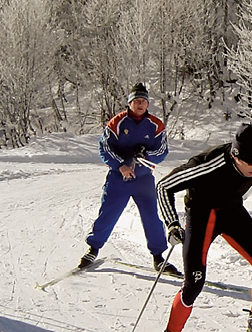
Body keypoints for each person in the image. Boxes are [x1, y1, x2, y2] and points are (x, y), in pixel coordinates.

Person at [148, 123, 252, 332]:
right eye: (251, 164)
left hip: (233, 211)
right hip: (202, 215)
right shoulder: (206, 165)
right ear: (236, 156)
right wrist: (172, 223)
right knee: (194, 282)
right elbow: (163, 187)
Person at [77, 82, 181, 277]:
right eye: (136, 101)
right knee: (107, 214)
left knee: (151, 217)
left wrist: (145, 156)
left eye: (144, 101)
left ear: (148, 104)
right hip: (119, 178)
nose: (140, 104)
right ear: (130, 103)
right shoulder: (117, 122)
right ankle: (93, 249)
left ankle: (158, 257)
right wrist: (121, 165)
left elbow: (162, 151)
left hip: (143, 180)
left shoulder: (156, 125)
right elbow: (104, 148)